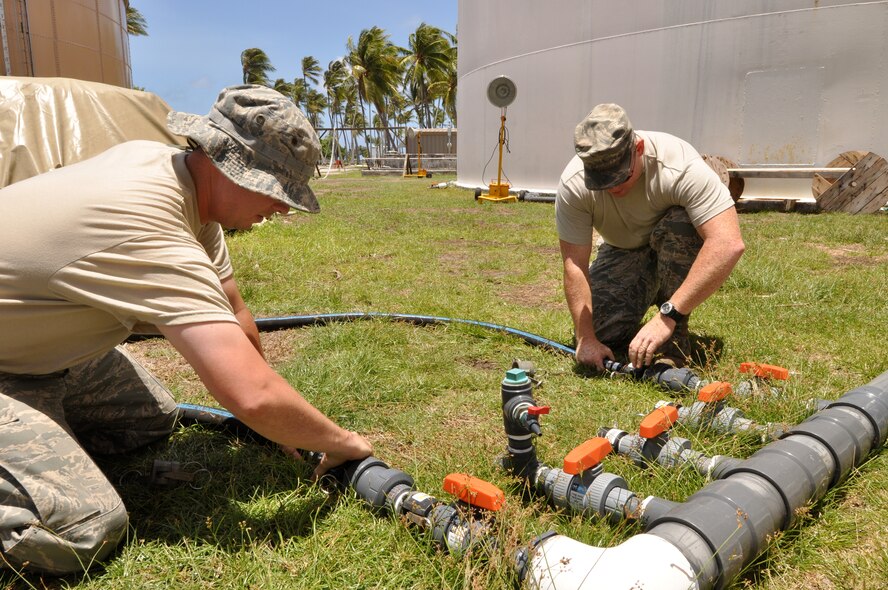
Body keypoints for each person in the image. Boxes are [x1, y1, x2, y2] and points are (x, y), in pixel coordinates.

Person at [0, 85, 373, 574]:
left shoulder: (181, 183)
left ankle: (36, 429)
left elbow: (236, 315)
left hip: (34, 356)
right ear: (228, 166)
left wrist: (286, 426)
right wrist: (342, 441)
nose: (282, 209)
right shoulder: (148, 225)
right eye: (277, 191)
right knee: (82, 529)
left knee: (153, 418)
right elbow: (250, 395)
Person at [556, 103, 745, 371]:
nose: (612, 187)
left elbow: (728, 243)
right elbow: (574, 264)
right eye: (602, 181)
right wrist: (586, 337)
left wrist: (670, 315)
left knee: (683, 224)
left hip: (675, 240)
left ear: (639, 150)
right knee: (602, 332)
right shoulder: (573, 182)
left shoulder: (679, 164)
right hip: (623, 249)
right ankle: (653, 285)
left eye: (620, 177)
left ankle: (675, 344)